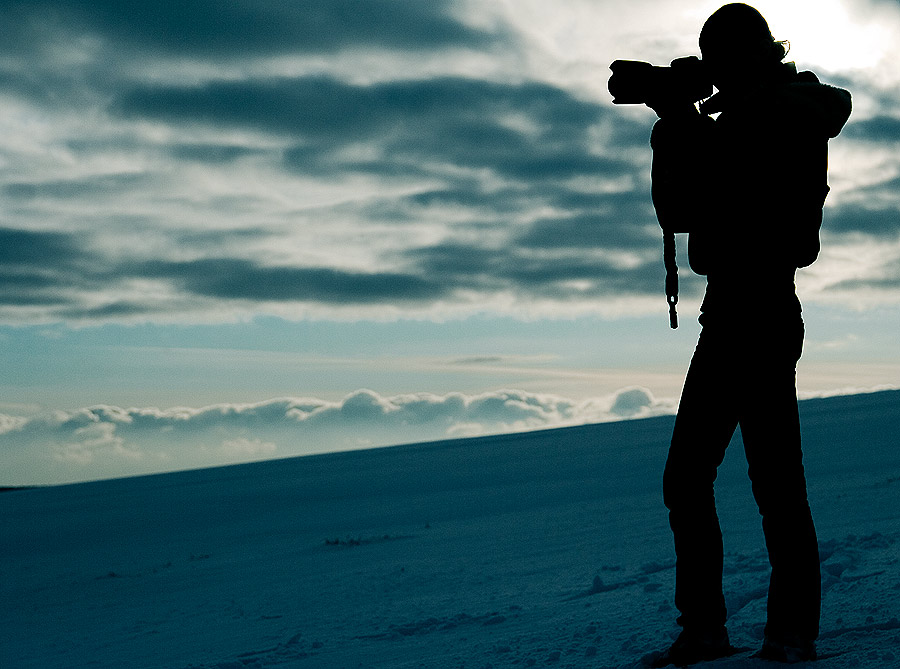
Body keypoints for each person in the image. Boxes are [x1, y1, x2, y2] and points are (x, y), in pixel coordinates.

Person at [646, 4, 851, 666]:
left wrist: (681, 110)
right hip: (727, 311)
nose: (721, 74)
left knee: (774, 483)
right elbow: (683, 208)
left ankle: (791, 633)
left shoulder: (793, 108)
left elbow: (737, 165)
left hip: (761, 308)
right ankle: (708, 628)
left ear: (762, 55)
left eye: (728, 59)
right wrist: (672, 120)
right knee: (690, 477)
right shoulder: (733, 118)